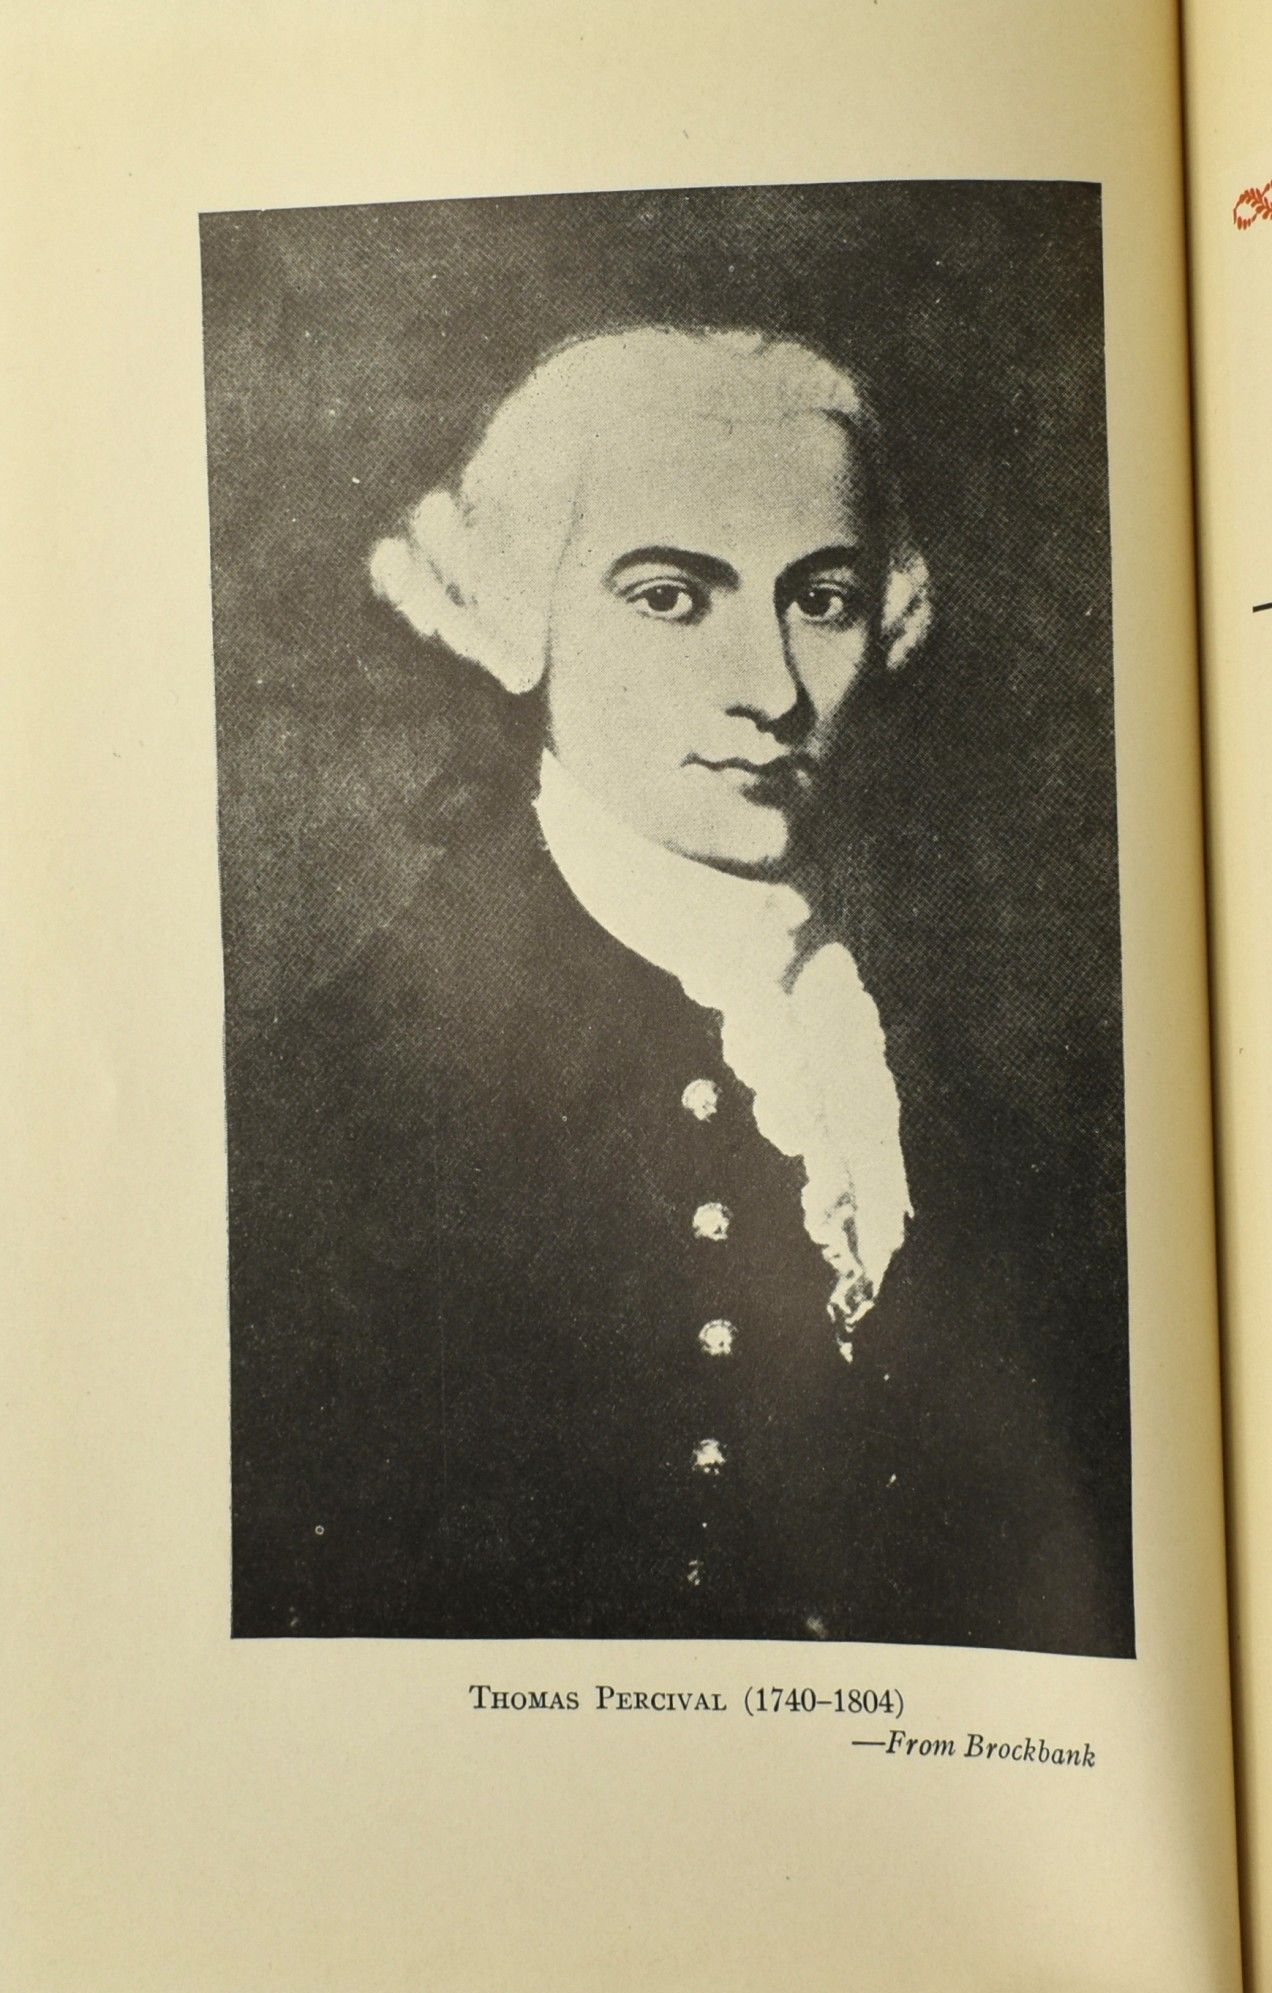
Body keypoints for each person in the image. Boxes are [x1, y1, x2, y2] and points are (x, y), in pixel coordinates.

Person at [228, 326, 1132, 1650]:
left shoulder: (945, 1079)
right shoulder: (336, 1100)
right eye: (670, 597)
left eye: (822, 599)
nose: (770, 690)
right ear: (520, 610)